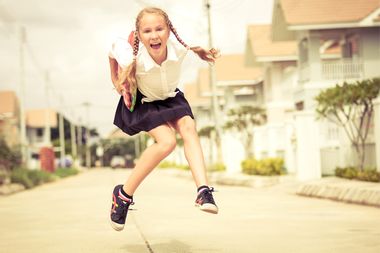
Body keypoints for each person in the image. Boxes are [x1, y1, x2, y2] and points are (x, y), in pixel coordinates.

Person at [108, 7, 220, 231]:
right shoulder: (130, 54)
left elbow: (194, 45)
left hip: (170, 98)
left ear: (169, 31)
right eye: (147, 31)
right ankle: (123, 194)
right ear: (139, 35)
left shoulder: (178, 48)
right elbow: (111, 51)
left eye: (159, 29)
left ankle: (203, 191)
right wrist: (117, 83)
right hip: (144, 102)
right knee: (167, 142)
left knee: (188, 126)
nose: (154, 35)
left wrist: (201, 51)